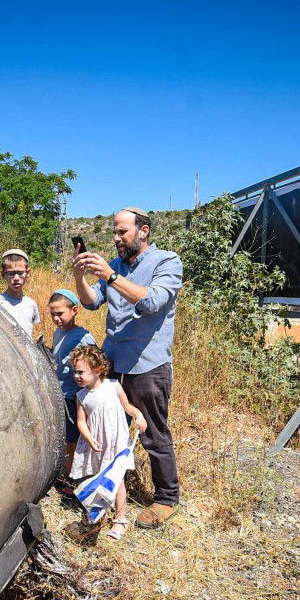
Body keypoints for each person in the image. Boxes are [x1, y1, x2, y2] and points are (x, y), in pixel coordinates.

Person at [73, 206, 183, 530]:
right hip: (112, 366)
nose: (117, 238)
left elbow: (151, 303)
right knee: (108, 432)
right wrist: (80, 275)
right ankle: (108, 494)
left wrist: (110, 275)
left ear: (143, 230)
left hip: (147, 365)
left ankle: (166, 498)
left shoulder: (166, 262)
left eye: (122, 231)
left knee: (153, 434)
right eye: (114, 232)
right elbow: (91, 301)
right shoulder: (117, 266)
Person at [65, 345, 147, 542]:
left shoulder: (113, 386)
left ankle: (120, 519)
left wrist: (139, 415)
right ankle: (97, 512)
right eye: (74, 371)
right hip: (97, 445)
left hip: (116, 443)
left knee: (117, 480)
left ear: (97, 371)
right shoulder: (82, 396)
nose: (76, 376)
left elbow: (127, 406)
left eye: (81, 372)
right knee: (99, 480)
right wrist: (88, 437)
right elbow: (81, 421)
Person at [47, 289, 96, 480]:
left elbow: (93, 366)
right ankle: (62, 471)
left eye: (60, 313)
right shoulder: (58, 333)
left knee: (72, 439)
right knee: (61, 436)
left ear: (74, 310)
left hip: (73, 397)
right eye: (52, 314)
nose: (56, 318)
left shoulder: (83, 337)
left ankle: (71, 476)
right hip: (59, 393)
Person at [0, 249, 40, 338]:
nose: (16, 278)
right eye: (11, 273)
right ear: (3, 274)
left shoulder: (31, 304)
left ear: (27, 273)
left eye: (20, 272)